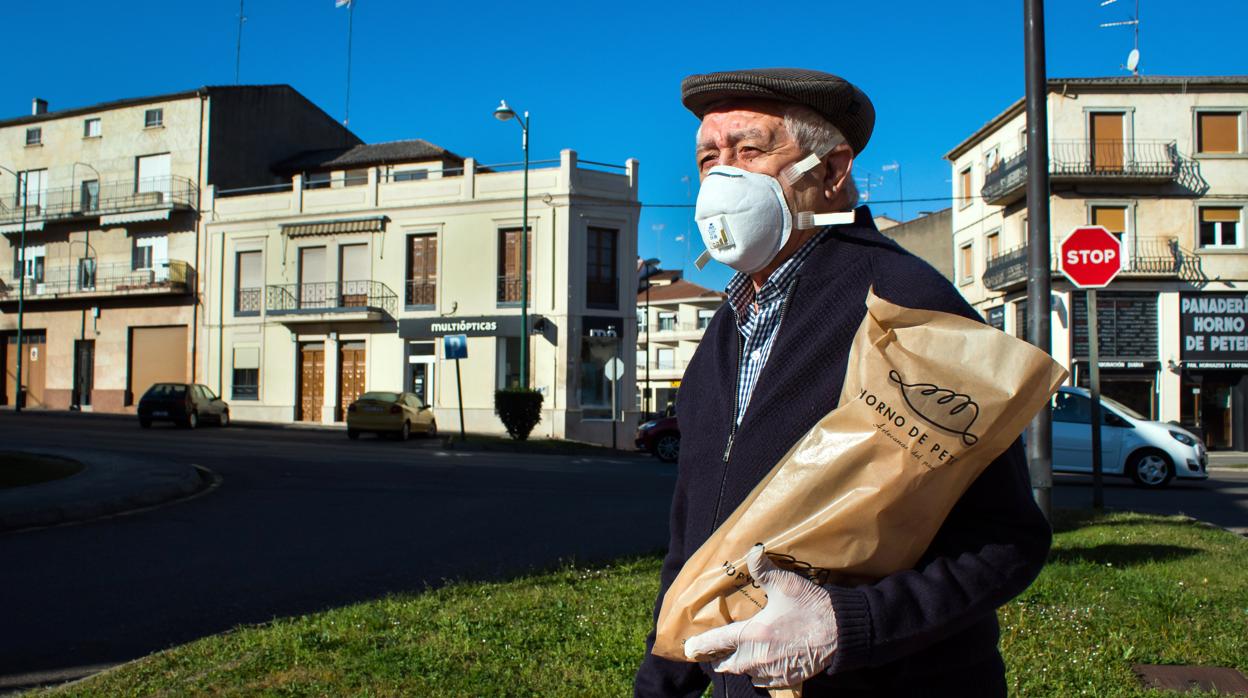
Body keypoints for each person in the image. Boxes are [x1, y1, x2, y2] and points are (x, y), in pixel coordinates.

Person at [634, 68, 1052, 697]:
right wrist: (662, 679)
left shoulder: (908, 308)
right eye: (708, 158)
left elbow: (1006, 541)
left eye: (749, 150)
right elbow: (696, 533)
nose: (723, 177)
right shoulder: (729, 321)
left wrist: (843, 625)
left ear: (831, 172)